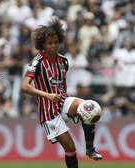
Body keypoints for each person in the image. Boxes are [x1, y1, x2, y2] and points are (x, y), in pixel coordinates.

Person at [21, 18, 102, 168]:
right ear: (43, 45)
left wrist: (63, 100)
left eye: (56, 42)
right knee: (70, 148)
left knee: (89, 107)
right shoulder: (37, 62)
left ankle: (90, 149)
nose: (53, 46)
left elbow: (61, 85)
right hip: (48, 111)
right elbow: (24, 87)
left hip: (62, 101)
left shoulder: (64, 61)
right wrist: (47, 95)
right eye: (49, 43)